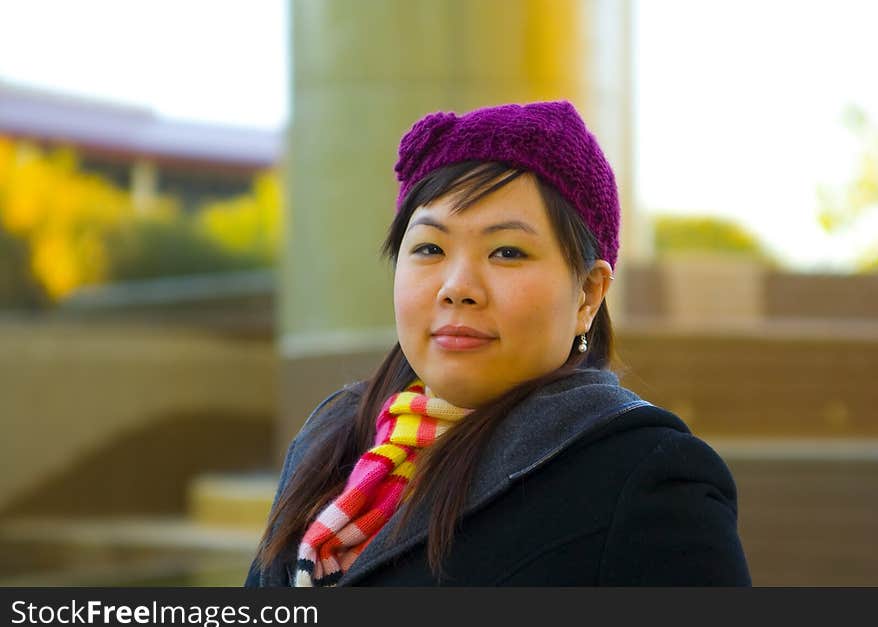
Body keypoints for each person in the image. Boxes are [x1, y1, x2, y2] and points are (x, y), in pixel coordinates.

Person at [245, 100, 751, 586]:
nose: (457, 286)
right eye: (429, 248)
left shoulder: (646, 479)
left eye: (507, 252)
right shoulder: (332, 436)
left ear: (587, 293)